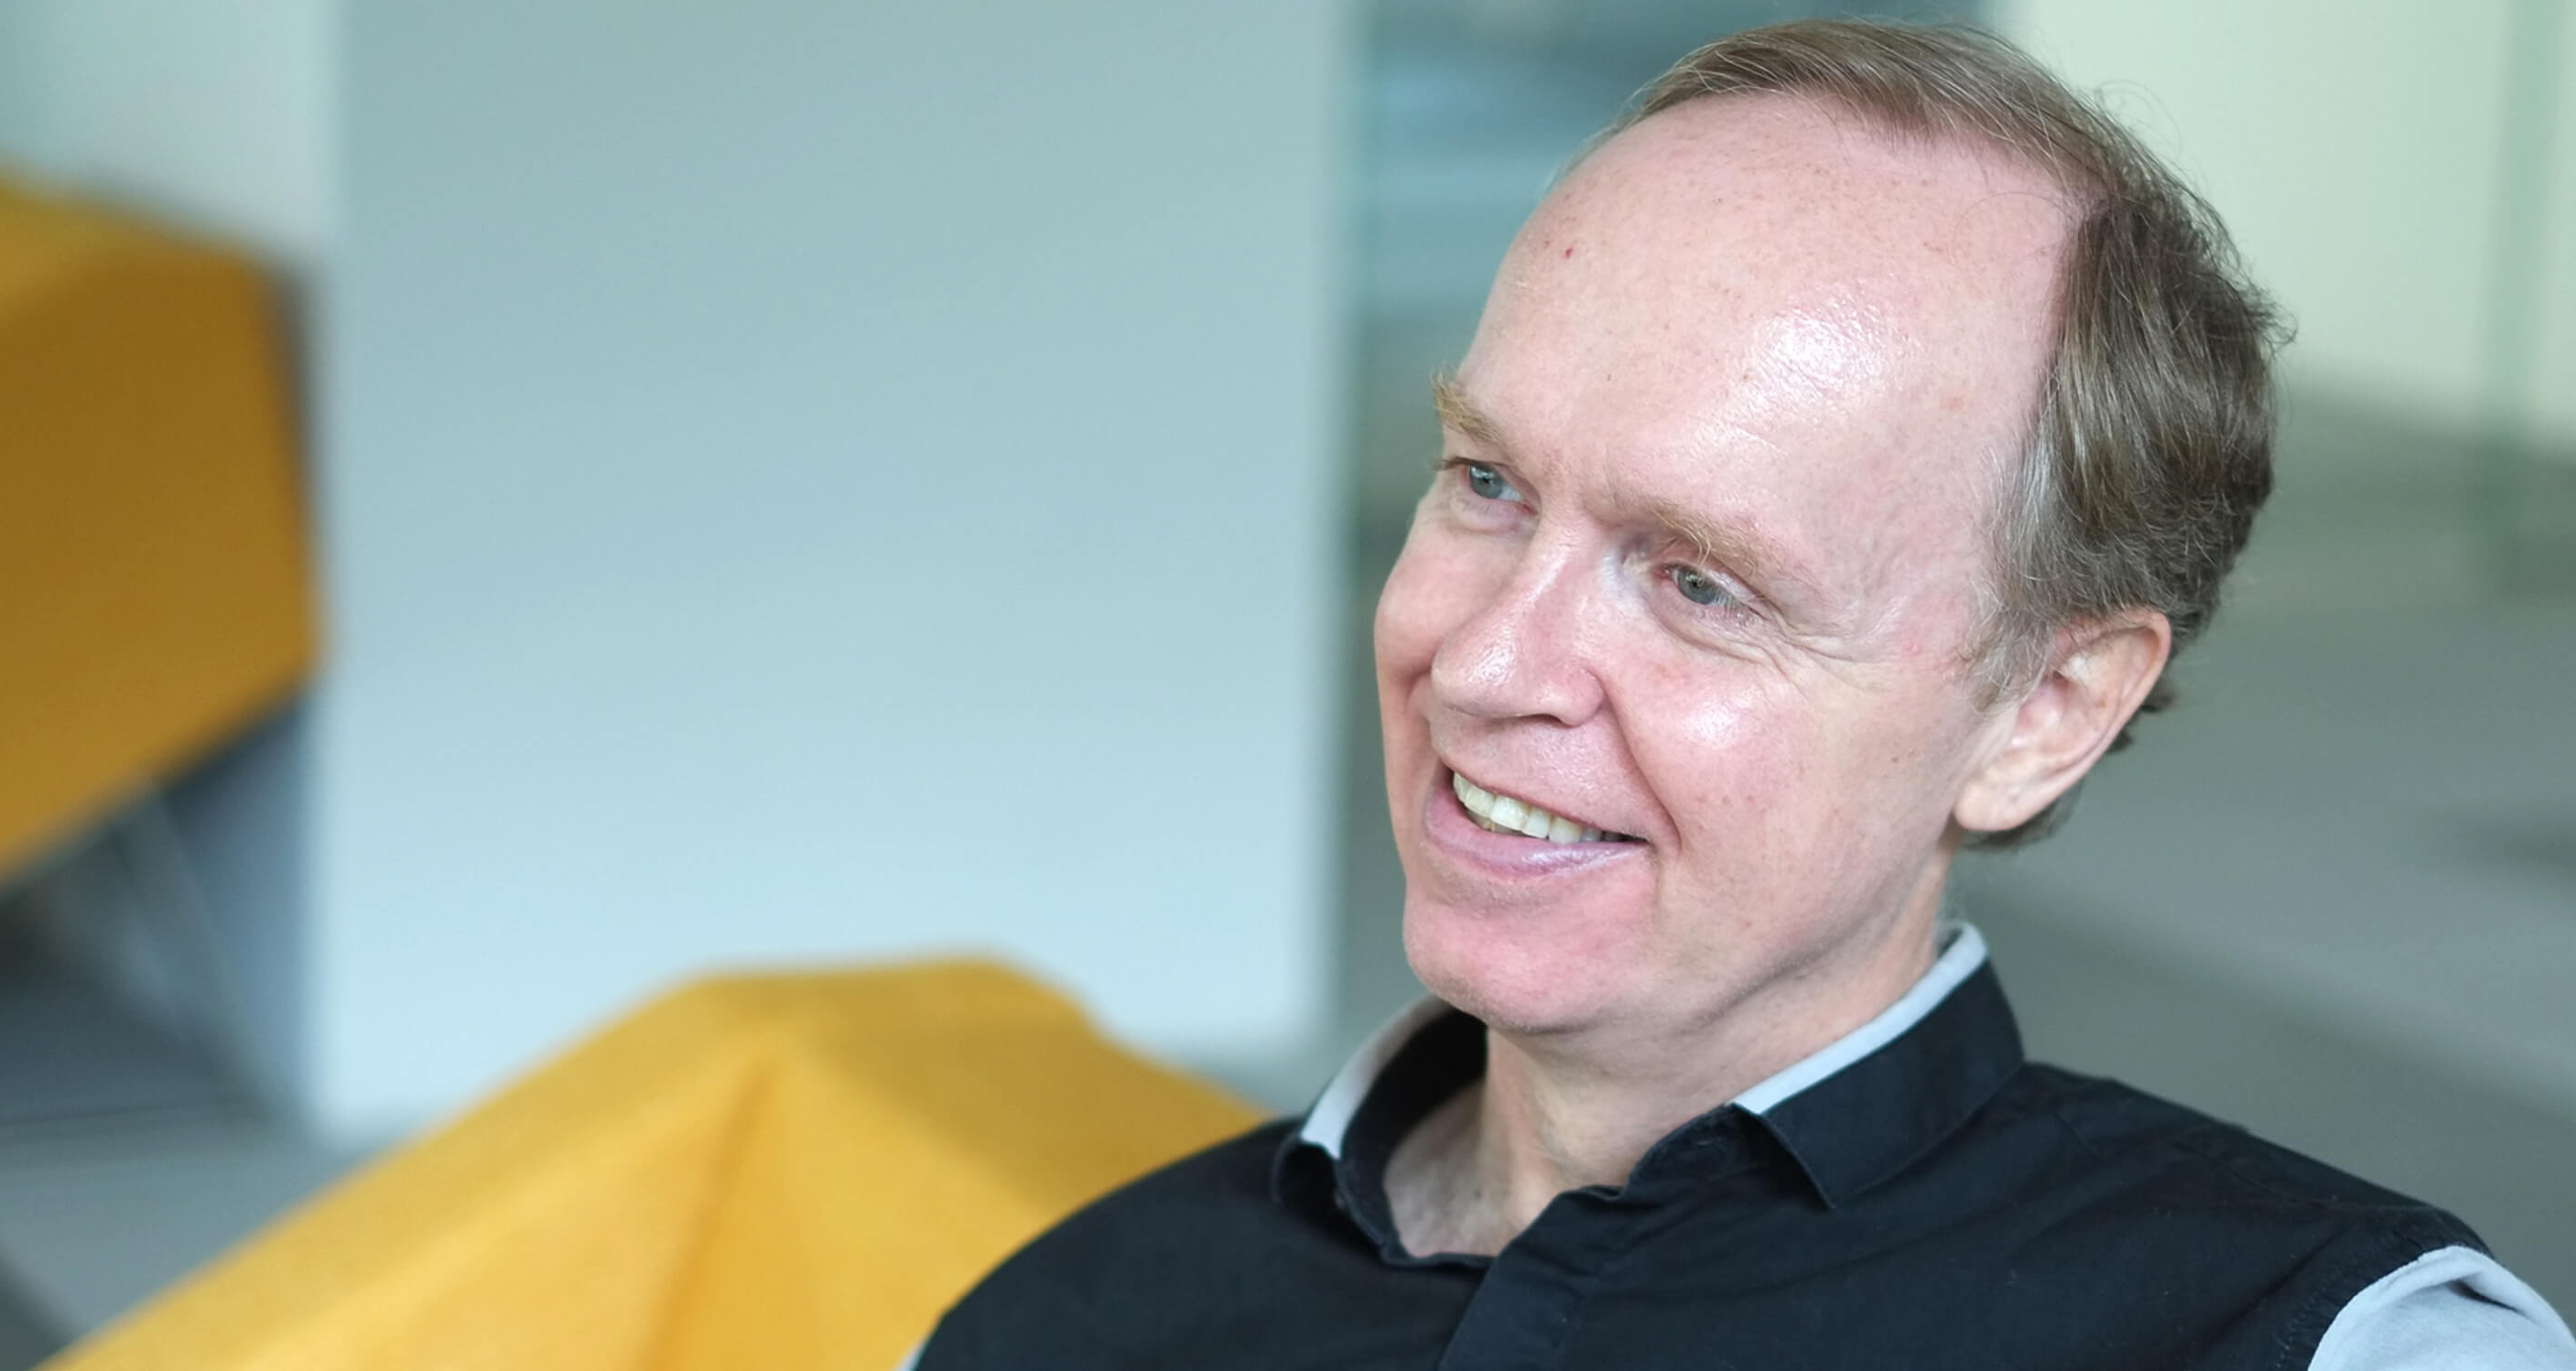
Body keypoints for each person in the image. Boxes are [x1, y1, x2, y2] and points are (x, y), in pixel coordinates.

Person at [909, 18, 2575, 1371]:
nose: (1483, 663)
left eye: (1700, 580)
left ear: (2045, 709)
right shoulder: (1076, 1312)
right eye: (1485, 480)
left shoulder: (2325, 1345)